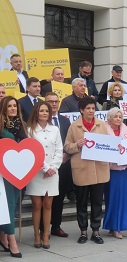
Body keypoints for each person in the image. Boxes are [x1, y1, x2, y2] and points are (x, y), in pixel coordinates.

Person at [64, 97, 110, 244]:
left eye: (93, 108)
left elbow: (109, 145)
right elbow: (67, 146)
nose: (91, 111)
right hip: (82, 169)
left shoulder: (102, 125)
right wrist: (77, 145)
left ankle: (96, 231)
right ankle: (83, 231)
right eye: (88, 108)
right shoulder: (74, 126)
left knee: (97, 202)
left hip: (99, 169)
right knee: (81, 203)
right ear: (81, 110)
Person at [26, 101, 63, 249]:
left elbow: (59, 150)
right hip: (36, 172)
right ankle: (36, 235)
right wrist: (46, 168)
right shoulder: (30, 130)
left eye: (46, 111)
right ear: (36, 112)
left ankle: (46, 235)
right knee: (37, 205)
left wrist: (53, 168)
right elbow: (32, 152)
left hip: (52, 173)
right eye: (41, 111)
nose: (44, 113)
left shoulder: (55, 129)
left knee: (48, 205)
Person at [103, 107, 127, 239]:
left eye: (120, 116)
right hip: (109, 170)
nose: (118, 119)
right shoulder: (103, 130)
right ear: (109, 118)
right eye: (115, 116)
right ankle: (112, 226)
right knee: (111, 199)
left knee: (121, 200)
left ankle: (117, 227)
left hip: (122, 171)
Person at [0, 96, 27, 258]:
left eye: (14, 106)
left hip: (19, 171)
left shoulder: (20, 126)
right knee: (9, 204)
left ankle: (3, 236)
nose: (12, 108)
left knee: (14, 203)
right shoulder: (1, 127)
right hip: (4, 173)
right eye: (9, 106)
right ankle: (12, 240)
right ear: (4, 108)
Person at [44, 92, 72, 237]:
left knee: (59, 196)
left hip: (63, 163)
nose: (53, 104)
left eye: (56, 101)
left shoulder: (65, 120)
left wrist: (67, 154)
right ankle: (44, 229)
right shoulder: (40, 120)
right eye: (50, 101)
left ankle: (56, 226)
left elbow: (68, 140)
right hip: (45, 165)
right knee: (45, 197)